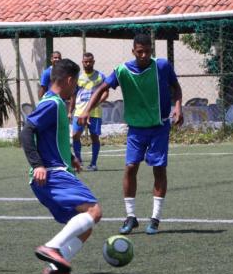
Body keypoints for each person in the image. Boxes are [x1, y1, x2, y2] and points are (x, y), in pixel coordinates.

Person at [78, 33, 183, 235]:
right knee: (130, 168)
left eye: (147, 51)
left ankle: (155, 219)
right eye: (140, 51)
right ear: (133, 51)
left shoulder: (161, 66)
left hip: (159, 126)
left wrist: (178, 107)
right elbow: (101, 88)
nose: (144, 55)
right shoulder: (123, 70)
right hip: (136, 129)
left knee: (159, 170)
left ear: (151, 51)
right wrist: (86, 110)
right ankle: (130, 217)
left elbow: (176, 88)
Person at [20, 59, 103, 274]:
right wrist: (37, 164)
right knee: (94, 211)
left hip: (55, 171)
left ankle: (56, 269)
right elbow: (26, 132)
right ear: (69, 80)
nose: (75, 88)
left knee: (84, 226)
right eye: (75, 83)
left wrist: (71, 157)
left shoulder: (52, 102)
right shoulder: (53, 104)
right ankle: (52, 247)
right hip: (52, 174)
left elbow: (49, 137)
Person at [68, 52, 109, 171]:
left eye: (90, 61)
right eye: (85, 61)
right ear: (82, 62)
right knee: (75, 135)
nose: (87, 63)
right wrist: (70, 111)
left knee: (94, 137)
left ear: (93, 62)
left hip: (95, 112)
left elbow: (106, 93)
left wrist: (95, 104)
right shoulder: (78, 77)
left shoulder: (100, 76)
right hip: (79, 112)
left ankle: (93, 164)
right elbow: (73, 96)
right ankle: (79, 161)